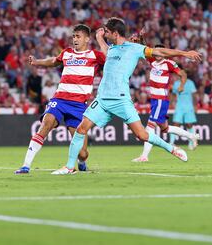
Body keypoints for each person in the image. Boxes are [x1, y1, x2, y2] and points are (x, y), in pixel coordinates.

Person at [52, 17, 201, 175]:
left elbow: (160, 51)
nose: (105, 33)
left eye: (107, 31)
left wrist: (184, 53)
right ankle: (69, 167)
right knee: (81, 128)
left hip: (121, 100)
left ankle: (172, 149)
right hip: (102, 100)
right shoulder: (111, 49)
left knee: (142, 135)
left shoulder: (134, 48)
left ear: (115, 33)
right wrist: (98, 37)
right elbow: (104, 48)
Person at [14, 24, 105, 174]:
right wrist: (37, 62)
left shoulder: (95, 55)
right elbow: (53, 61)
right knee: (46, 124)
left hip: (79, 105)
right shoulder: (67, 53)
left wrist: (102, 40)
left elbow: (111, 60)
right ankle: (25, 165)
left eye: (78, 36)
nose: (75, 39)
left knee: (83, 153)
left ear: (87, 39)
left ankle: (82, 162)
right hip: (60, 99)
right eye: (74, 36)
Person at [132, 45, 199, 162]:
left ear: (164, 53)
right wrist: (141, 39)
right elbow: (146, 49)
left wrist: (182, 85)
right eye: (155, 52)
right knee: (165, 129)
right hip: (154, 100)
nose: (157, 54)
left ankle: (144, 156)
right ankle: (192, 136)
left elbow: (183, 74)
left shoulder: (169, 63)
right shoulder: (152, 61)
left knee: (150, 126)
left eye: (159, 52)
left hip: (160, 99)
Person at [169, 75, 199, 149]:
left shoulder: (190, 83)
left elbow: (194, 95)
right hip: (179, 106)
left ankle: (191, 143)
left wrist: (195, 105)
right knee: (176, 124)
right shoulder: (176, 83)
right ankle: (171, 143)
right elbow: (173, 94)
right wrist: (170, 103)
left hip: (189, 107)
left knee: (189, 125)